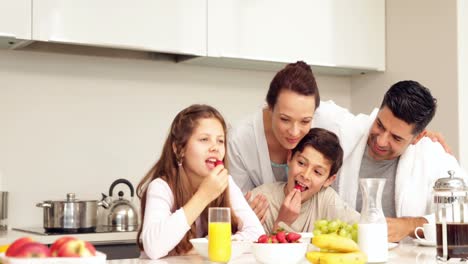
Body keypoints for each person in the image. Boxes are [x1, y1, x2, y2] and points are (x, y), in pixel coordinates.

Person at [312, 80, 467, 242]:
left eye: (396, 137)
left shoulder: (432, 155)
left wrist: (410, 225)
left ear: (418, 137)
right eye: (380, 125)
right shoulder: (345, 129)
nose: (381, 141)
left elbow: (463, 215)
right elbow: (299, 98)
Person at [136, 104, 264, 260]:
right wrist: (203, 195)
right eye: (204, 139)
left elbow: (257, 234)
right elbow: (154, 248)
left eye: (220, 141)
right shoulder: (161, 187)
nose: (215, 148)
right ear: (179, 149)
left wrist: (206, 245)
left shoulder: (226, 183)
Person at [228, 61, 319, 222]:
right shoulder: (239, 139)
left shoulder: (322, 128)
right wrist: (243, 216)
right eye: (285, 119)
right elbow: (237, 208)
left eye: (305, 121)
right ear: (270, 107)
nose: (294, 132)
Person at [250, 128, 360, 234]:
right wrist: (282, 223)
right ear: (289, 158)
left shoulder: (327, 200)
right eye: (301, 163)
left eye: (317, 172)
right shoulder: (260, 200)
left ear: (329, 180)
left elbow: (365, 228)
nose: (305, 175)